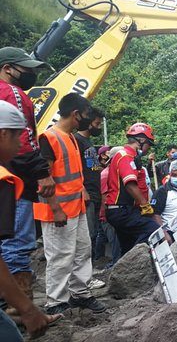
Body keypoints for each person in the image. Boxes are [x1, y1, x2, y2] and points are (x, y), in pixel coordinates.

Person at [33, 93, 107, 314]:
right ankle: (56, 302)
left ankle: (80, 293)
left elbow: (71, 172)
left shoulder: (72, 138)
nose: (87, 120)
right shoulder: (49, 138)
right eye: (86, 116)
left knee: (82, 251)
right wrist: (56, 208)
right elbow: (44, 180)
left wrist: (82, 190)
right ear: (76, 115)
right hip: (57, 210)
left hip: (76, 206)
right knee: (60, 256)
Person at [0, 47, 56, 315]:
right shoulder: (13, 94)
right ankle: (20, 311)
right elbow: (24, 139)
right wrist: (41, 171)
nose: (32, 74)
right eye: (27, 68)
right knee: (17, 242)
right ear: (8, 68)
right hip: (15, 178)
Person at [0, 101, 62, 340]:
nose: (20, 145)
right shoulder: (4, 179)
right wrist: (27, 310)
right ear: (4, 133)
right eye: (18, 138)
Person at [105, 123, 162, 255]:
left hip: (120, 210)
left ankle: (125, 271)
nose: (148, 149)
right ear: (141, 141)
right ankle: (134, 261)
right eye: (148, 144)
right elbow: (130, 184)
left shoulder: (127, 156)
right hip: (122, 211)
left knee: (127, 247)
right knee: (153, 231)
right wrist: (145, 206)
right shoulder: (126, 156)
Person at [73, 107, 106, 290]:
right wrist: (82, 188)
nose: (98, 126)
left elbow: (90, 168)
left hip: (94, 194)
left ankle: (87, 274)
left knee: (91, 236)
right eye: (97, 123)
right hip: (86, 195)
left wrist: (100, 166)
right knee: (86, 238)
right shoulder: (77, 141)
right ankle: (85, 279)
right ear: (88, 120)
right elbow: (75, 168)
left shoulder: (88, 143)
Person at [99, 146, 121, 268]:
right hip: (108, 214)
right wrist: (106, 215)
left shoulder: (115, 173)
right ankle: (115, 266)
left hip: (115, 213)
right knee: (115, 243)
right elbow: (104, 197)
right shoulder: (106, 174)